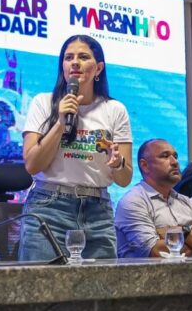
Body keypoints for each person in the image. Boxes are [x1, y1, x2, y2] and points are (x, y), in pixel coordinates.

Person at [19, 35, 133, 261]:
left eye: (83, 57)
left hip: (97, 212)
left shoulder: (115, 109)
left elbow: (124, 179)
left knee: (101, 283)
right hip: (49, 207)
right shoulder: (43, 103)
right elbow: (32, 165)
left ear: (98, 68)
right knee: (42, 282)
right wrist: (60, 123)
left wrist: (117, 163)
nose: (75, 63)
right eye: (68, 57)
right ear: (62, 66)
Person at [114, 139, 192, 258]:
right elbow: (156, 253)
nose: (175, 162)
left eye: (175, 156)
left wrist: (183, 232)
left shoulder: (187, 202)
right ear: (145, 165)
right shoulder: (133, 201)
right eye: (165, 156)